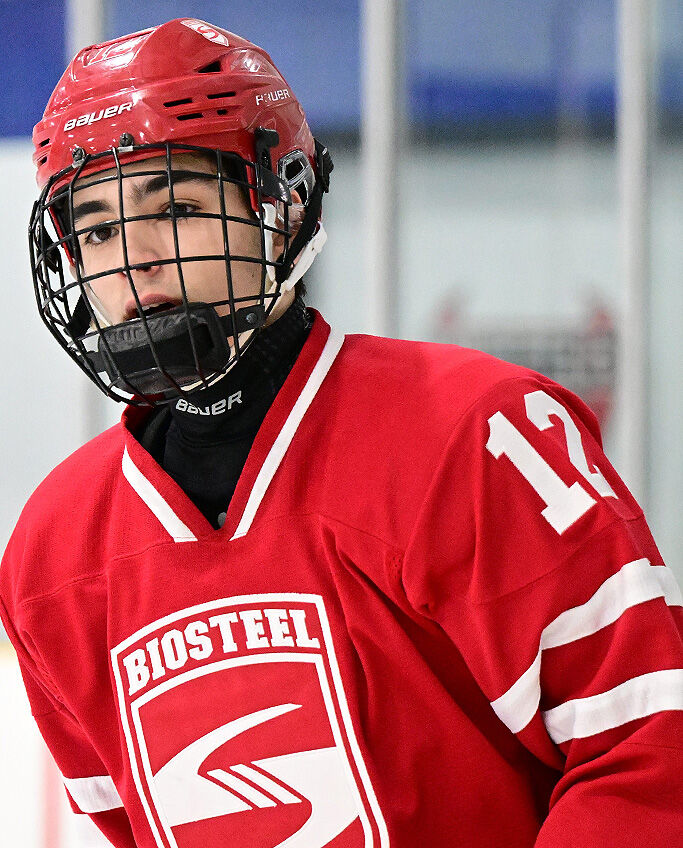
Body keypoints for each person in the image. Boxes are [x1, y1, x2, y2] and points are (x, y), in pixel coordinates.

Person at [1, 17, 681, 848]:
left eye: (174, 207)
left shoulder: (476, 432)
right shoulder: (53, 551)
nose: (133, 258)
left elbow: (648, 749)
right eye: (98, 229)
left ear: (282, 207)